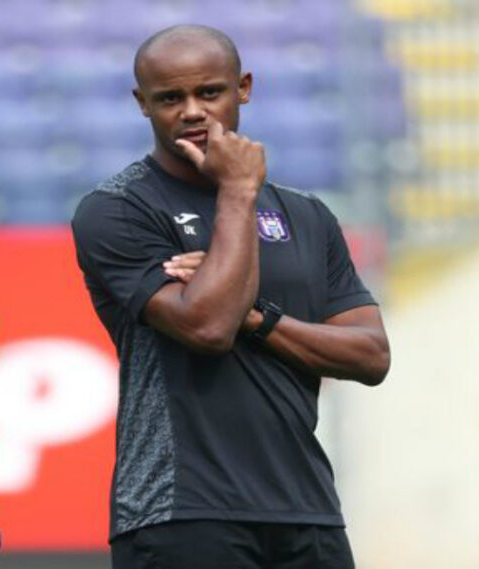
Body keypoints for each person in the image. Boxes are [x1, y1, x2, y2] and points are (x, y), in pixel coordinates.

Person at [71, 25, 391, 569]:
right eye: (170, 98)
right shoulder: (117, 209)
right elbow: (208, 327)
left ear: (243, 88)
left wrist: (257, 315)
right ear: (142, 103)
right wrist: (238, 189)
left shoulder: (307, 216)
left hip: (308, 509)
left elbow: (371, 355)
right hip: (180, 511)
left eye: (210, 92)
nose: (192, 111)